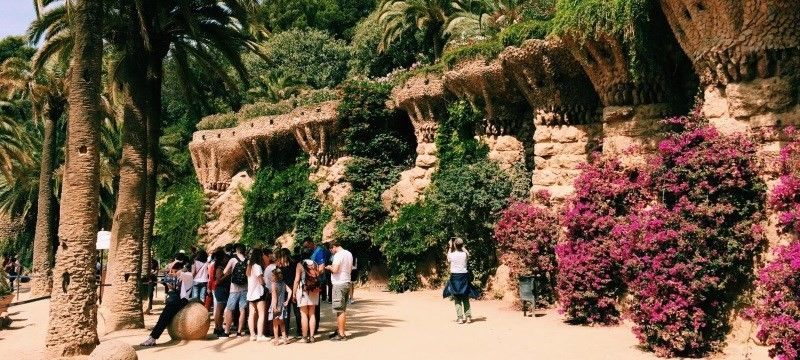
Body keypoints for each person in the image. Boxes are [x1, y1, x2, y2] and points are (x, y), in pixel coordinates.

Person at [140, 261, 193, 346]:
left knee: (164, 318)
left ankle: (153, 338)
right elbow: (177, 287)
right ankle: (152, 337)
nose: (173, 273)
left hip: (181, 300)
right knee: (163, 317)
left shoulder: (188, 275)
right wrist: (169, 285)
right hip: (176, 299)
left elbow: (180, 273)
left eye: (175, 271)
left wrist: (178, 267)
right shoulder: (182, 276)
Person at [443, 237, 478, 324]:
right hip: (464, 276)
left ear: (454, 245)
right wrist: (462, 246)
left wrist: (450, 246)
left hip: (455, 277)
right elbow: (467, 252)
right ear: (462, 245)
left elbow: (448, 258)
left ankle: (460, 318)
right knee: (465, 296)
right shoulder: (465, 254)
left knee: (457, 297)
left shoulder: (451, 254)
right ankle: (468, 317)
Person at [325, 239, 353, 341]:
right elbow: (349, 269)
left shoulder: (338, 255)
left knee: (339, 310)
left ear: (334, 247)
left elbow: (335, 270)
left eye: (330, 249)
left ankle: (341, 334)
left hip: (339, 284)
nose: (331, 252)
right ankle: (339, 330)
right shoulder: (349, 253)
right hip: (346, 282)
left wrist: (329, 267)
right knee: (342, 308)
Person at [223, 244, 249, 337]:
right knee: (242, 310)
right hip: (245, 289)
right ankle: (239, 332)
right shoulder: (248, 261)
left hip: (234, 289)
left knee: (230, 310)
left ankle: (226, 331)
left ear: (237, 251)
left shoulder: (233, 260)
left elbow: (225, 271)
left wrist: (230, 272)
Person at [293, 255, 321, 343]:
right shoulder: (315, 264)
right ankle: (312, 337)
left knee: (304, 314)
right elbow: (318, 276)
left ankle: (305, 337)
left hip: (303, 291)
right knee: (312, 314)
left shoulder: (300, 264)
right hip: (314, 291)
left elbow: (297, 280)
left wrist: (293, 293)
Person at [276, 248, 301, 338]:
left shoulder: (279, 267)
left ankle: (285, 332)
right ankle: (300, 330)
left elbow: (277, 280)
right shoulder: (295, 264)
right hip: (295, 289)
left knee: (286, 312)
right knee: (297, 311)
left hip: (284, 291)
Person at [246, 248, 267, 341]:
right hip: (258, 292)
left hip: (250, 293)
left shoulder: (249, 266)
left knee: (251, 314)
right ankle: (260, 335)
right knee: (261, 314)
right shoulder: (257, 266)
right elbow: (261, 281)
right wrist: (265, 283)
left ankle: (252, 335)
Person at [307, 240, 328, 331]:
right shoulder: (313, 251)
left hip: (316, 280)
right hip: (314, 280)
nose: (306, 248)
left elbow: (322, 267)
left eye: (307, 246)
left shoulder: (319, 251)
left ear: (312, 243)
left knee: (315, 304)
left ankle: (314, 327)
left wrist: (314, 277)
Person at [210, 249, 230, 337]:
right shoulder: (219, 268)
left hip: (221, 289)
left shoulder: (218, 266)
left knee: (220, 310)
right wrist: (227, 275)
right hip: (221, 289)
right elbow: (218, 281)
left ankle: (218, 328)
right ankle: (218, 328)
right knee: (219, 310)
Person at [269, 268, 292, 345]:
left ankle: (276, 340)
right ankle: (285, 339)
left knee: (275, 325)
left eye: (272, 275)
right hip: (282, 305)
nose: (271, 277)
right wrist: (287, 300)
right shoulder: (283, 283)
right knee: (282, 323)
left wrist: (274, 307)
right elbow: (290, 291)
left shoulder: (273, 285)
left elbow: (274, 297)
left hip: (276, 306)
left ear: (275, 276)